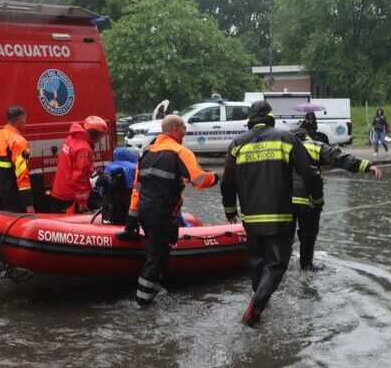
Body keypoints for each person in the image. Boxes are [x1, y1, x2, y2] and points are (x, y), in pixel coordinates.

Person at [220, 101, 323, 327]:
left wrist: (229, 208)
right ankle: (256, 308)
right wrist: (316, 199)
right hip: (280, 216)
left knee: (257, 262)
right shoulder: (285, 138)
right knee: (277, 264)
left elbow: (227, 181)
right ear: (271, 117)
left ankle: (260, 299)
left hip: (251, 218)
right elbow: (311, 174)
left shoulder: (237, 144)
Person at [122, 115, 219, 307]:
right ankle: (142, 303)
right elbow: (199, 180)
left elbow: (137, 187)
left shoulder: (147, 152)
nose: (185, 132)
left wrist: (131, 219)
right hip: (163, 214)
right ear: (174, 129)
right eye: (183, 128)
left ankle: (152, 292)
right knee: (156, 258)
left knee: (157, 254)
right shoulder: (181, 152)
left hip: (144, 212)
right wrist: (215, 178)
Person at [291, 128, 382, 271]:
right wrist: (365, 166)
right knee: (308, 236)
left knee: (283, 237)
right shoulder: (314, 146)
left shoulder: (283, 147)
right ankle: (306, 266)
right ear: (307, 136)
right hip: (308, 201)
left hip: (284, 202)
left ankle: (282, 267)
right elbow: (338, 157)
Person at [50, 116, 108, 214]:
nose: (99, 140)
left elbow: (71, 163)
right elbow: (79, 177)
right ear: (94, 134)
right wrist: (82, 202)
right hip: (70, 195)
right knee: (69, 226)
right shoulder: (84, 149)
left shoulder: (71, 138)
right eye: (100, 136)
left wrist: (90, 169)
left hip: (59, 188)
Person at [95, 147, 139, 225]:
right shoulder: (134, 167)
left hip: (109, 210)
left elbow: (101, 191)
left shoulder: (109, 168)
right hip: (128, 206)